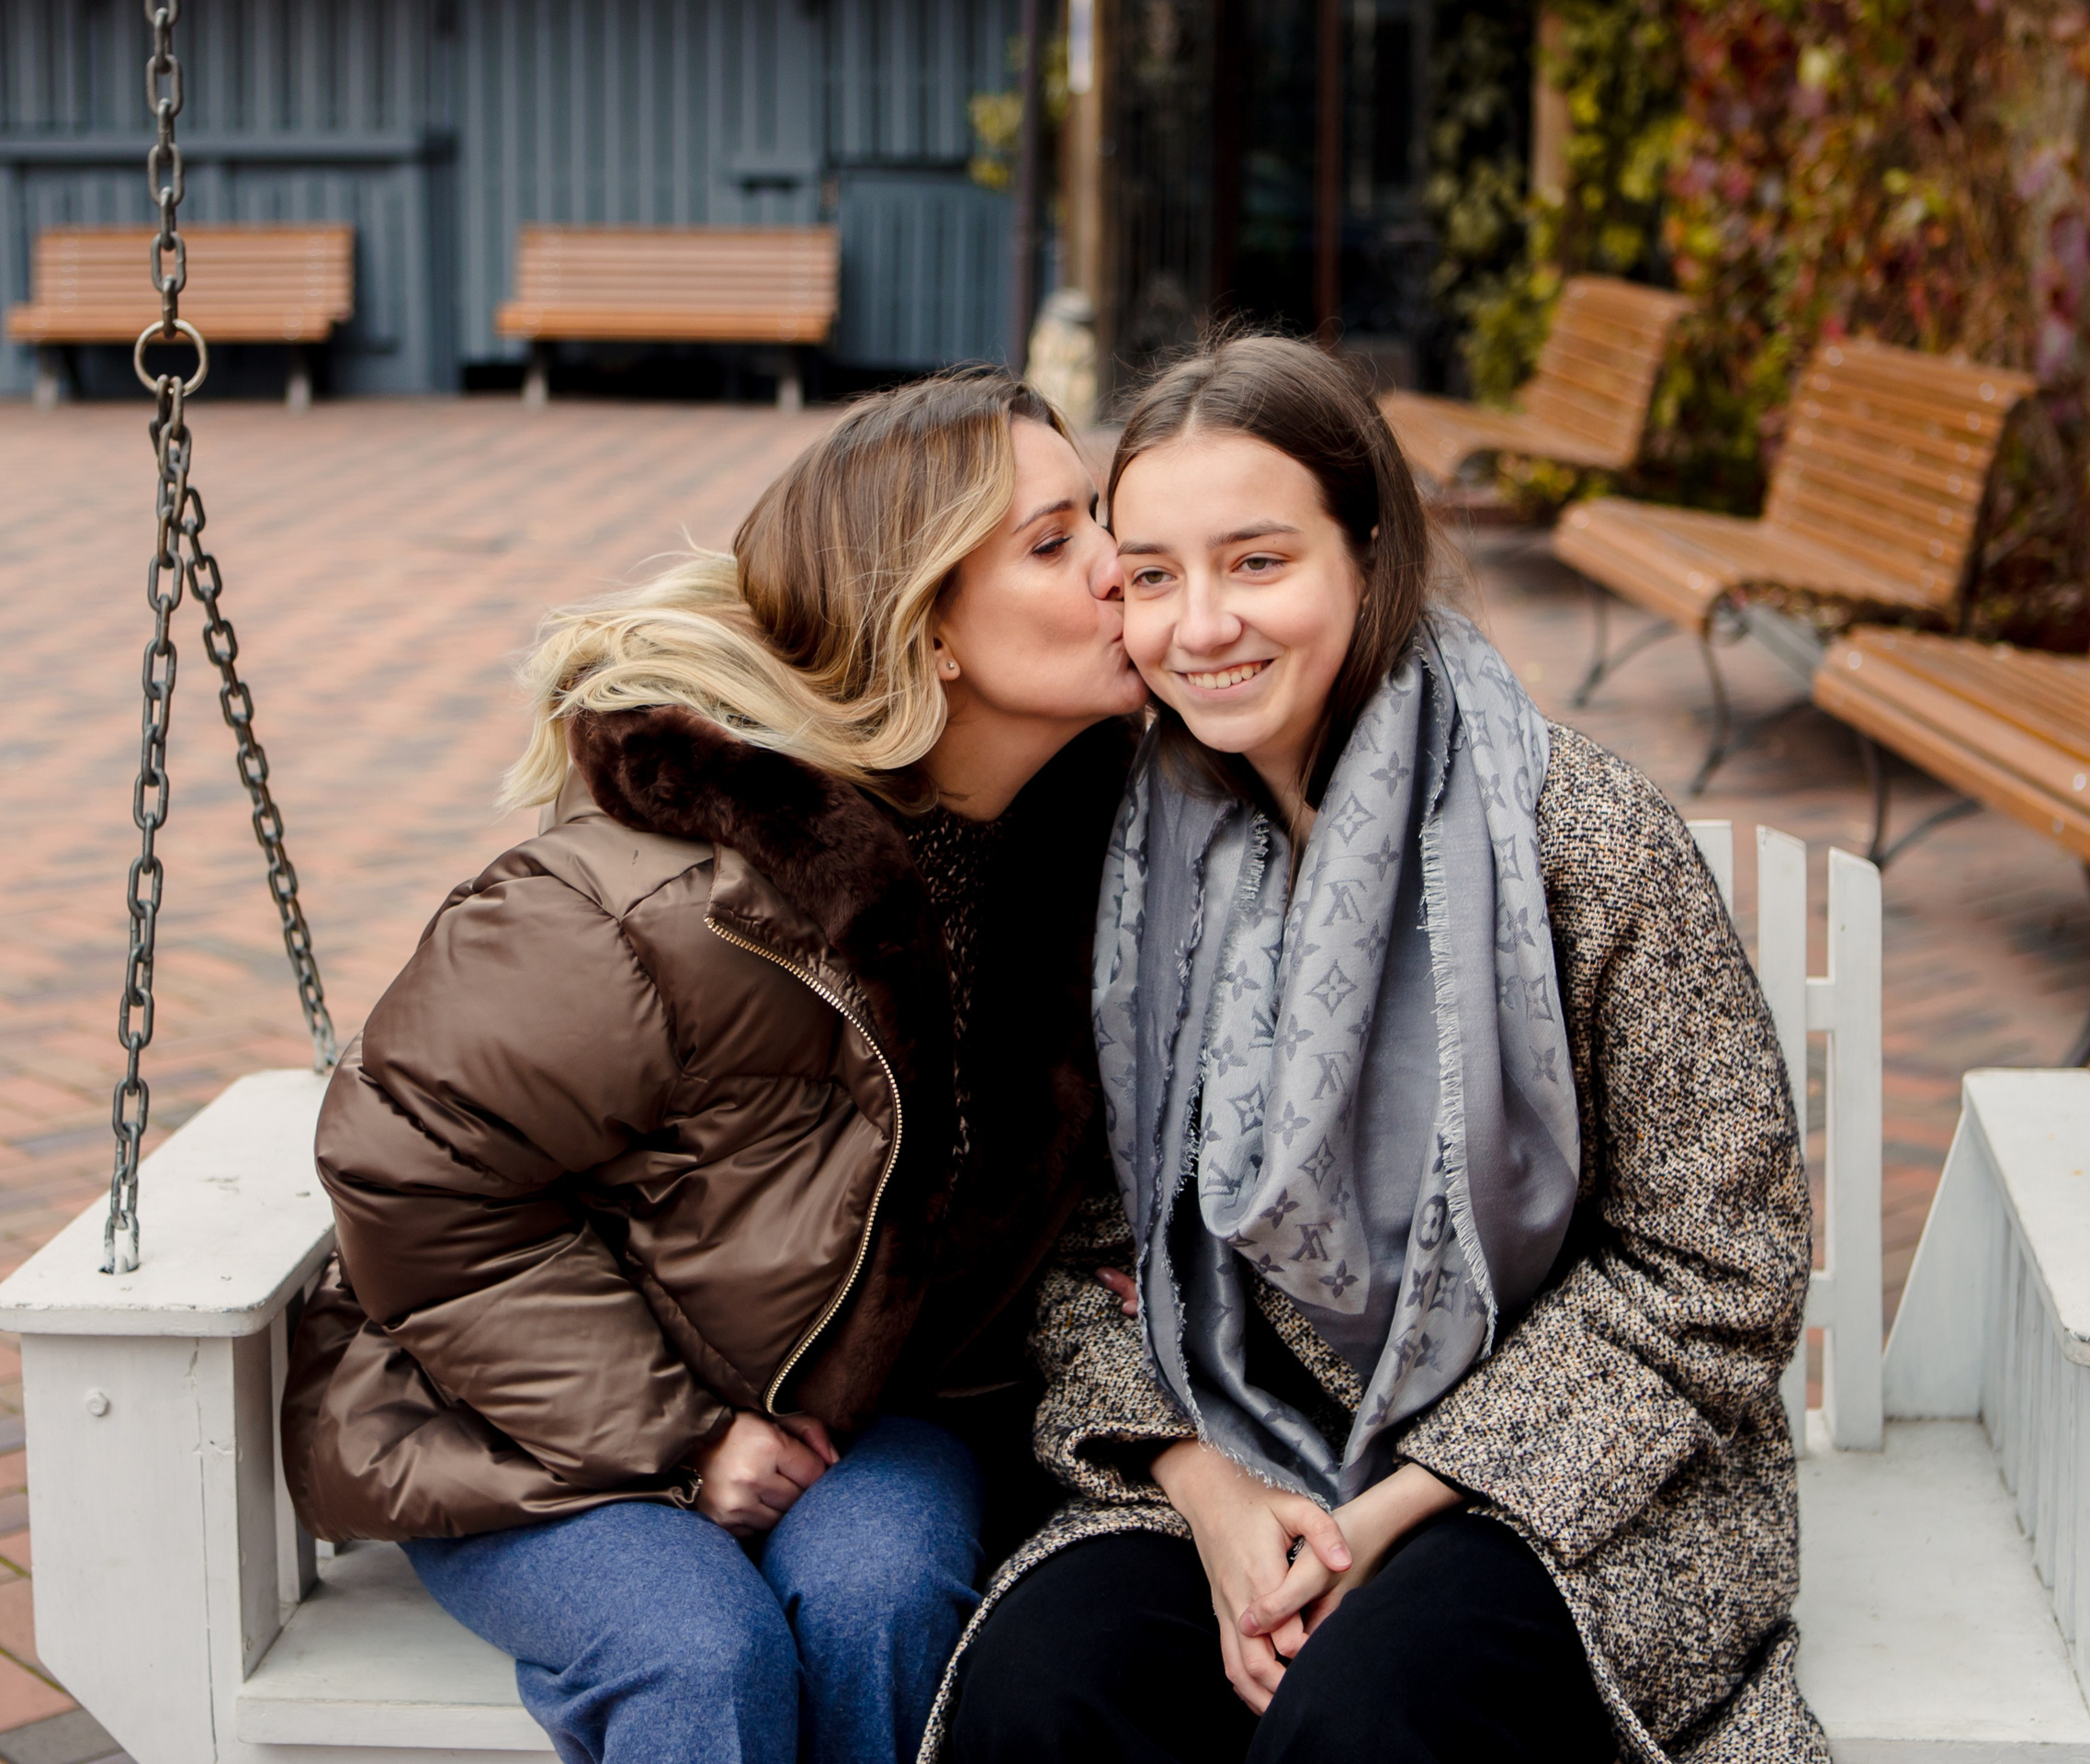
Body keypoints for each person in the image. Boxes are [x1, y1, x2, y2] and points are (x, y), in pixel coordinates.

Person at [935, 336, 1827, 1764]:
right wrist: (1213, 1501)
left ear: (1368, 552)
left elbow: (1715, 1271)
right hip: (1222, 1444)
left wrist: (1383, 1513)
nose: (1202, 624)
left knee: (1364, 1729)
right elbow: (1084, 1238)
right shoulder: (1123, 855)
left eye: (1259, 562)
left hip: (1551, 1480)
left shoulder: (1571, 842)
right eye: (1152, 574)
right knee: (1043, 1701)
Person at [279, 368, 1148, 1764]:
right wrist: (685, 1440)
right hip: (533, 1422)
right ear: (927, 632)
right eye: (1056, 543)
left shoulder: (1072, 849)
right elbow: (409, 1168)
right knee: (702, 1653)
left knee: (879, 1591)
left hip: (856, 1411)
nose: (1122, 566)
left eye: (1097, 515)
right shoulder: (668, 905)